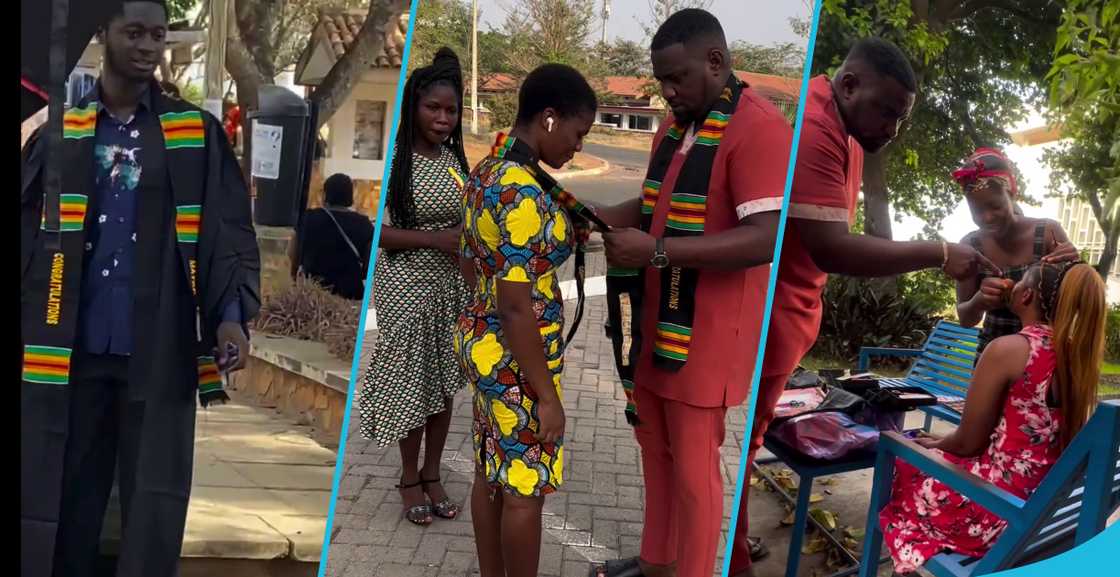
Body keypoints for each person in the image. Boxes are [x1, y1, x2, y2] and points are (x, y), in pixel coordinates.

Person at [729, 38, 997, 577]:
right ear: (849, 85)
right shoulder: (814, 129)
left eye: (900, 118)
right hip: (765, 315)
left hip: (792, 314)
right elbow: (832, 247)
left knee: (746, 442)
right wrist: (939, 253)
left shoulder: (847, 129)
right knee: (741, 449)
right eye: (888, 112)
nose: (892, 129)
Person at [20, 1, 260, 576]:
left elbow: (224, 229)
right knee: (69, 496)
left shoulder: (192, 134)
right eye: (135, 32)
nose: (149, 45)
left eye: (158, 34)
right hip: (71, 348)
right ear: (103, 35)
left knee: (153, 495)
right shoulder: (62, 133)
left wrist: (230, 314)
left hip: (159, 349)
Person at [592, 9, 791, 577]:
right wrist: (596, 219)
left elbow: (763, 239)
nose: (668, 92)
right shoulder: (676, 126)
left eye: (676, 78)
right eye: (661, 81)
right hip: (658, 321)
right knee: (655, 454)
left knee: (694, 473)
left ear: (716, 62)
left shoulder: (759, 127)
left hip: (707, 336)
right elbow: (652, 208)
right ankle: (657, 563)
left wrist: (655, 252)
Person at [455, 63, 596, 577]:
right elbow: (516, 306)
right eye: (579, 134)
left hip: (483, 344)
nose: (577, 147)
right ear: (551, 119)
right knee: (524, 491)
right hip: (518, 356)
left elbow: (469, 257)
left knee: (489, 472)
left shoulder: (488, 171)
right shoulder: (524, 193)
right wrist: (547, 397)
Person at [880, 260, 1105, 574]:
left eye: (1021, 280)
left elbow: (968, 443)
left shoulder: (1008, 350)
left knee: (902, 452)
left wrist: (938, 443)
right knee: (928, 449)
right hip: (1049, 511)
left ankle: (904, 555)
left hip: (998, 515)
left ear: (1025, 295)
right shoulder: (1077, 356)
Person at [357, 48, 471, 526]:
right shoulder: (395, 160)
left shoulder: (452, 159)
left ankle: (432, 472)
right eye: (433, 109)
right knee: (411, 384)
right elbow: (375, 231)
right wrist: (434, 238)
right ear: (414, 107)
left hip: (450, 283)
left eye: (451, 111)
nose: (443, 119)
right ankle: (407, 478)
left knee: (443, 383)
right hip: (406, 284)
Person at [952, 147, 1078, 357]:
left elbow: (1075, 300)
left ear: (1010, 193)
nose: (987, 217)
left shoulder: (1048, 233)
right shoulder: (969, 247)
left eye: (995, 206)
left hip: (1047, 356)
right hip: (994, 358)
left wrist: (1075, 266)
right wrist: (979, 300)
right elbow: (966, 319)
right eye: (977, 211)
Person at [288, 172, 373, 300]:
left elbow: (292, 253)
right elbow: (369, 264)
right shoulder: (363, 224)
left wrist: (295, 276)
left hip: (313, 295)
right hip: (349, 296)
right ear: (350, 196)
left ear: (325, 194)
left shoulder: (307, 218)